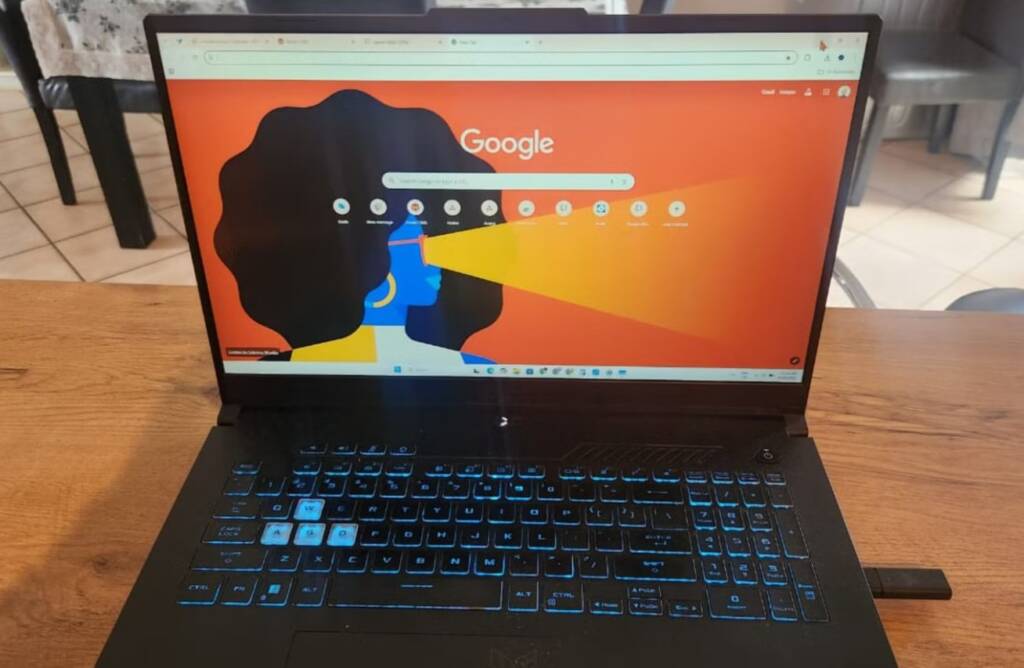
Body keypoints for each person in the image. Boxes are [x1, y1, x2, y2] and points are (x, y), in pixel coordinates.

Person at [214, 89, 504, 363]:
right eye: (421, 244)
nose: (436, 259)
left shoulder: (476, 370)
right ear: (365, 255)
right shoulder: (472, 368)